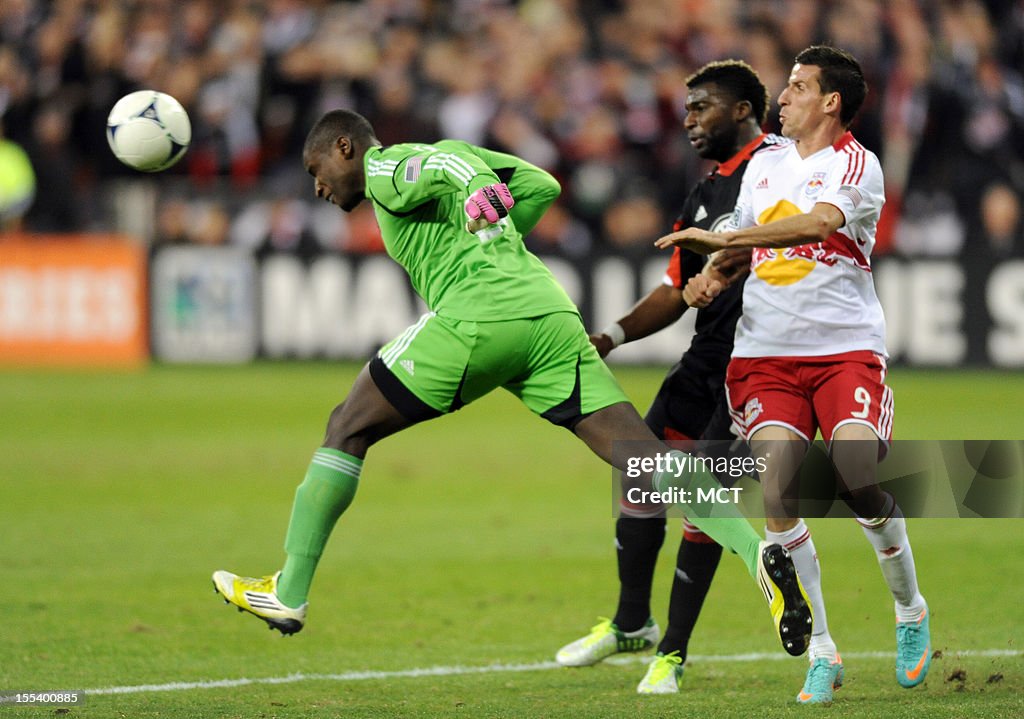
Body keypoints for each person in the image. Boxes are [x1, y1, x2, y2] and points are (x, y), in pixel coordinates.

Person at [211, 109, 812, 663]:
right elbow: (543, 187)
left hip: (480, 316)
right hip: (547, 317)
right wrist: (490, 217)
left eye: (317, 170)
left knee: (346, 425)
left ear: (344, 147)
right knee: (642, 458)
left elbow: (449, 163)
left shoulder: (386, 166)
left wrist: (477, 191)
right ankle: (759, 552)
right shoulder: (410, 189)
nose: (318, 187)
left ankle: (289, 590)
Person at [656, 46, 931, 704]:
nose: (783, 97)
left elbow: (818, 223)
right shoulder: (768, 164)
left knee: (857, 477)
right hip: (766, 353)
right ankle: (822, 649)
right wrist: (710, 278)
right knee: (781, 493)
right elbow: (748, 246)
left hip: (843, 350)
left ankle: (911, 610)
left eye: (798, 86)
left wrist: (730, 245)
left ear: (830, 101)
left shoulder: (856, 165)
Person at [554, 60, 788, 695]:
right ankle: (633, 622)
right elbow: (675, 289)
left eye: (701, 107)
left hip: (757, 366)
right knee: (640, 475)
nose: (688, 120)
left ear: (742, 110)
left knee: (701, 504)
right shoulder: (707, 192)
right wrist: (613, 336)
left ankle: (674, 654)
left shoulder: (785, 172)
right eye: (686, 109)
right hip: (703, 361)